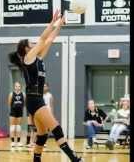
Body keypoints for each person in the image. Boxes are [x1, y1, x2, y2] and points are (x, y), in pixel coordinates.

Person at [9, 9, 82, 162]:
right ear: (26, 49)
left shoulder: (39, 58)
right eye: (31, 43)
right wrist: (52, 21)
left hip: (36, 99)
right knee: (56, 128)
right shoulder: (28, 57)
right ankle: (73, 158)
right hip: (34, 99)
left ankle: (36, 159)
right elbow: (43, 39)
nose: (34, 43)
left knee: (42, 135)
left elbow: (48, 40)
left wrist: (60, 25)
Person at [8, 82, 25, 147]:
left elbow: (24, 104)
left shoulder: (23, 94)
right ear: (14, 87)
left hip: (20, 112)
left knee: (18, 126)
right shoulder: (11, 94)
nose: (17, 88)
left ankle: (18, 141)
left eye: (19, 86)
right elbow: (9, 103)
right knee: (12, 126)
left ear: (20, 87)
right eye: (16, 86)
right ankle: (12, 142)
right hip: (13, 112)